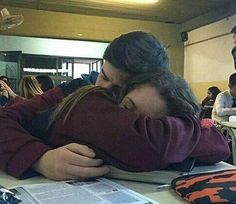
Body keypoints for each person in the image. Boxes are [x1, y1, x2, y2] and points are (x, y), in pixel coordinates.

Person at [0, 31, 228, 181]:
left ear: (143, 84)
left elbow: (218, 146)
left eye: (119, 87)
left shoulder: (145, 101)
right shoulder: (82, 94)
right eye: (104, 75)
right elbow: (151, 144)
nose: (104, 87)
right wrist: (39, 159)